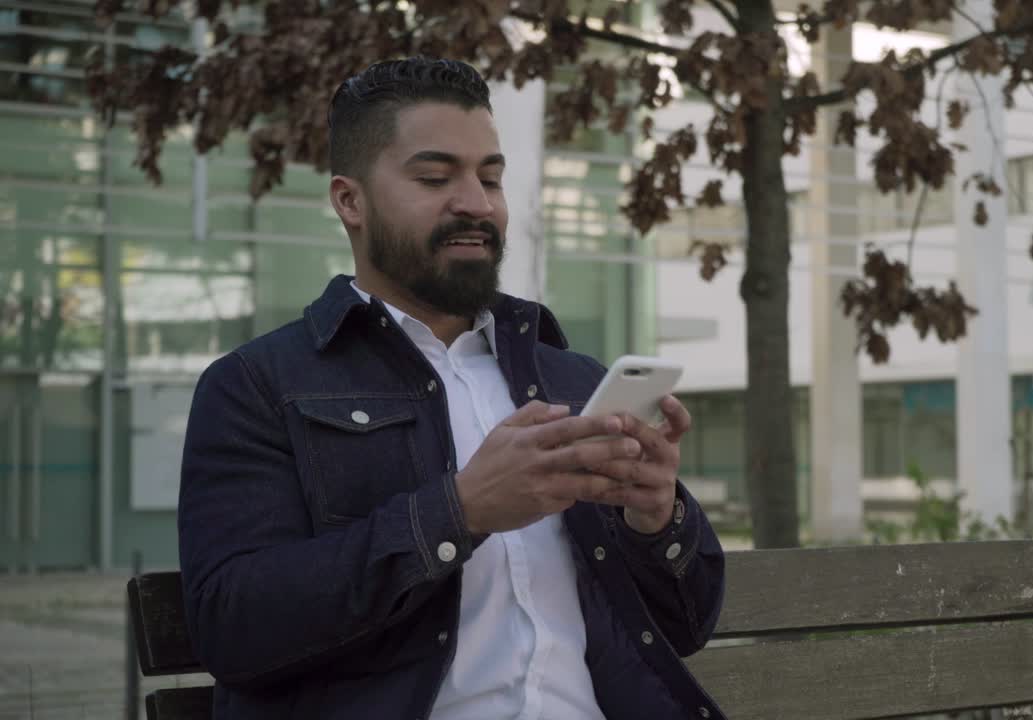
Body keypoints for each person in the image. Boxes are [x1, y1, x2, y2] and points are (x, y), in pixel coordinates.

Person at [177, 56, 726, 720]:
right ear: (350, 201)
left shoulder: (574, 380)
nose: (476, 203)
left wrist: (656, 518)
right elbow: (231, 628)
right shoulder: (258, 386)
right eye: (435, 178)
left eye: (490, 178)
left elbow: (685, 628)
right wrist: (458, 512)